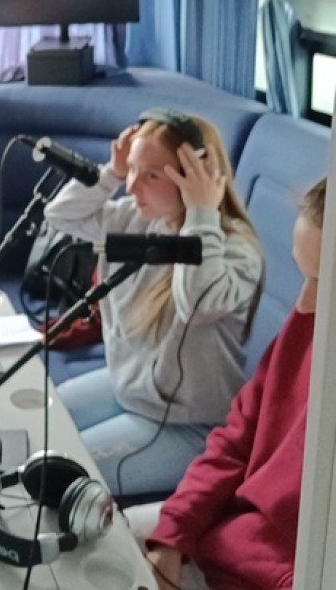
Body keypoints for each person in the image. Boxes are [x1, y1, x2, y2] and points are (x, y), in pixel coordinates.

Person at [44, 109, 264, 497]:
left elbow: (196, 304)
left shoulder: (237, 251)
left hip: (188, 426)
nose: (131, 187)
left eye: (150, 176)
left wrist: (200, 214)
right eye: (131, 170)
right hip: (129, 390)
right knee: (40, 421)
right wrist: (110, 173)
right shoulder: (137, 218)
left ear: (194, 176)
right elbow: (60, 215)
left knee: (58, 478)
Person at [124, 177, 326, 590]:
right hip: (224, 536)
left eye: (327, 286)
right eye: (304, 276)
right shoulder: (307, 326)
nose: (303, 303)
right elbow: (236, 440)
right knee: (96, 541)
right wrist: (173, 534)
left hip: (263, 573)